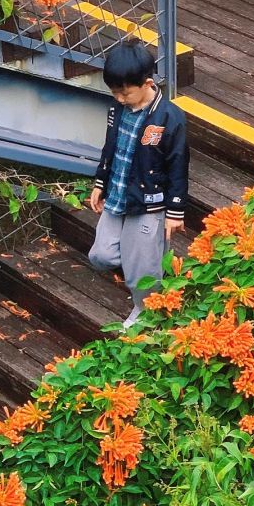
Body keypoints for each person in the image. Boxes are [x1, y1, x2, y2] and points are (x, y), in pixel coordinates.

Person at [87, 37, 189, 327]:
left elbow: (178, 166)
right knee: (101, 256)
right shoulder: (116, 109)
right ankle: (149, 255)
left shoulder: (170, 117)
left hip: (148, 202)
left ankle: (144, 309)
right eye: (114, 92)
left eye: (124, 92)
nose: (119, 98)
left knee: (139, 271)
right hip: (118, 195)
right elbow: (110, 148)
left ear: (146, 83)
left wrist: (175, 212)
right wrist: (99, 182)